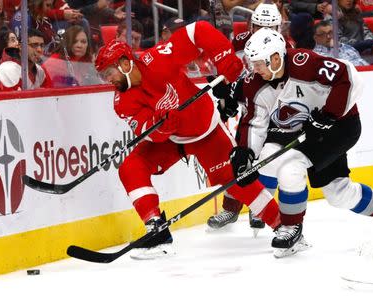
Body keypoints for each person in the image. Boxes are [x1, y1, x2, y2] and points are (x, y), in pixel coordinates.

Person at [94, 21, 281, 259]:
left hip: (205, 129)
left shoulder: (158, 59)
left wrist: (224, 57)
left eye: (108, 72)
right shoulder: (122, 102)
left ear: (125, 63)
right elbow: (148, 131)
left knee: (237, 179)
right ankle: (157, 233)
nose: (107, 79)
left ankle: (284, 226)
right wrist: (161, 126)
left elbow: (199, 30)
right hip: (170, 139)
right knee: (131, 168)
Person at [223, 27, 373, 258]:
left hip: (339, 128)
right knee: (336, 193)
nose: (254, 68)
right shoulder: (255, 83)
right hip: (301, 130)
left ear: (275, 57)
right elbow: (255, 122)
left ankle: (293, 227)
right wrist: (245, 154)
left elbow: (348, 76)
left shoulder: (304, 62)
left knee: (299, 174)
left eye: (259, 62)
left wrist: (330, 114)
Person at [207, 2, 284, 233]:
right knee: (239, 155)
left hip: (271, 108)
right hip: (245, 104)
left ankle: (258, 208)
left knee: (268, 158)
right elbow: (226, 68)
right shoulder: (239, 41)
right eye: (259, 26)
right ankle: (231, 208)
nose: (264, 31)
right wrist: (225, 97)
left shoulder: (283, 47)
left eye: (270, 27)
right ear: (252, 24)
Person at [0, 28, 53, 92]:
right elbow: (13, 102)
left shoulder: (39, 71)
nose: (39, 50)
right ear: (21, 47)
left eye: (41, 45)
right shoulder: (7, 70)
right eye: (34, 45)